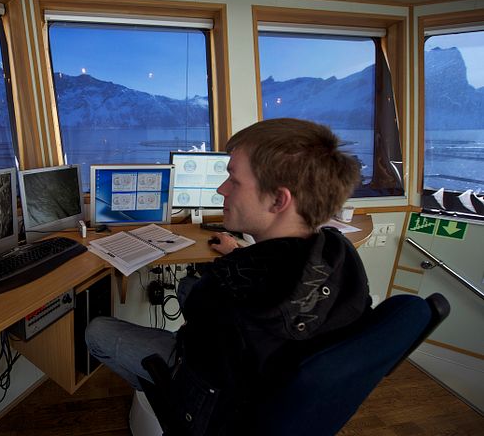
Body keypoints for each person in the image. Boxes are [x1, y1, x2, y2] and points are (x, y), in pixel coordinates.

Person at [85, 118, 371, 434]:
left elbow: (206, 314)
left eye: (233, 180)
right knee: (187, 285)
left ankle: (162, 394)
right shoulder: (341, 252)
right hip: (274, 381)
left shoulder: (224, 288)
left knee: (97, 331)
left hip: (214, 402)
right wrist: (238, 256)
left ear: (278, 199)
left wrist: (230, 269)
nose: (221, 188)